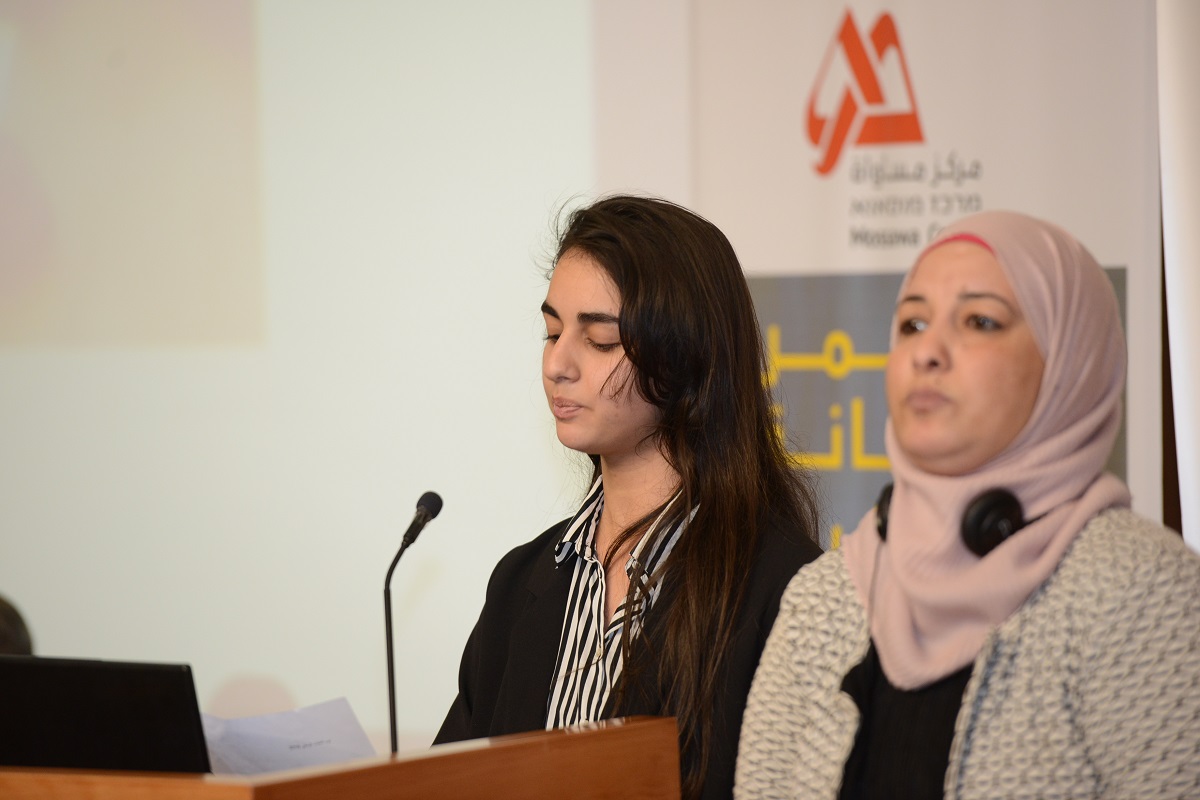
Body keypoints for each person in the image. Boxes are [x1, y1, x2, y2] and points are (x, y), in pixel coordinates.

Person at [736, 210, 1200, 799]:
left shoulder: (1145, 590)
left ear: (1068, 361)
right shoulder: (825, 597)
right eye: (912, 324)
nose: (928, 352)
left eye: (980, 321)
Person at [434, 195, 822, 799]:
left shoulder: (785, 588)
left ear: (686, 357)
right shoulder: (519, 582)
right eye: (552, 332)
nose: (557, 365)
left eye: (600, 341)